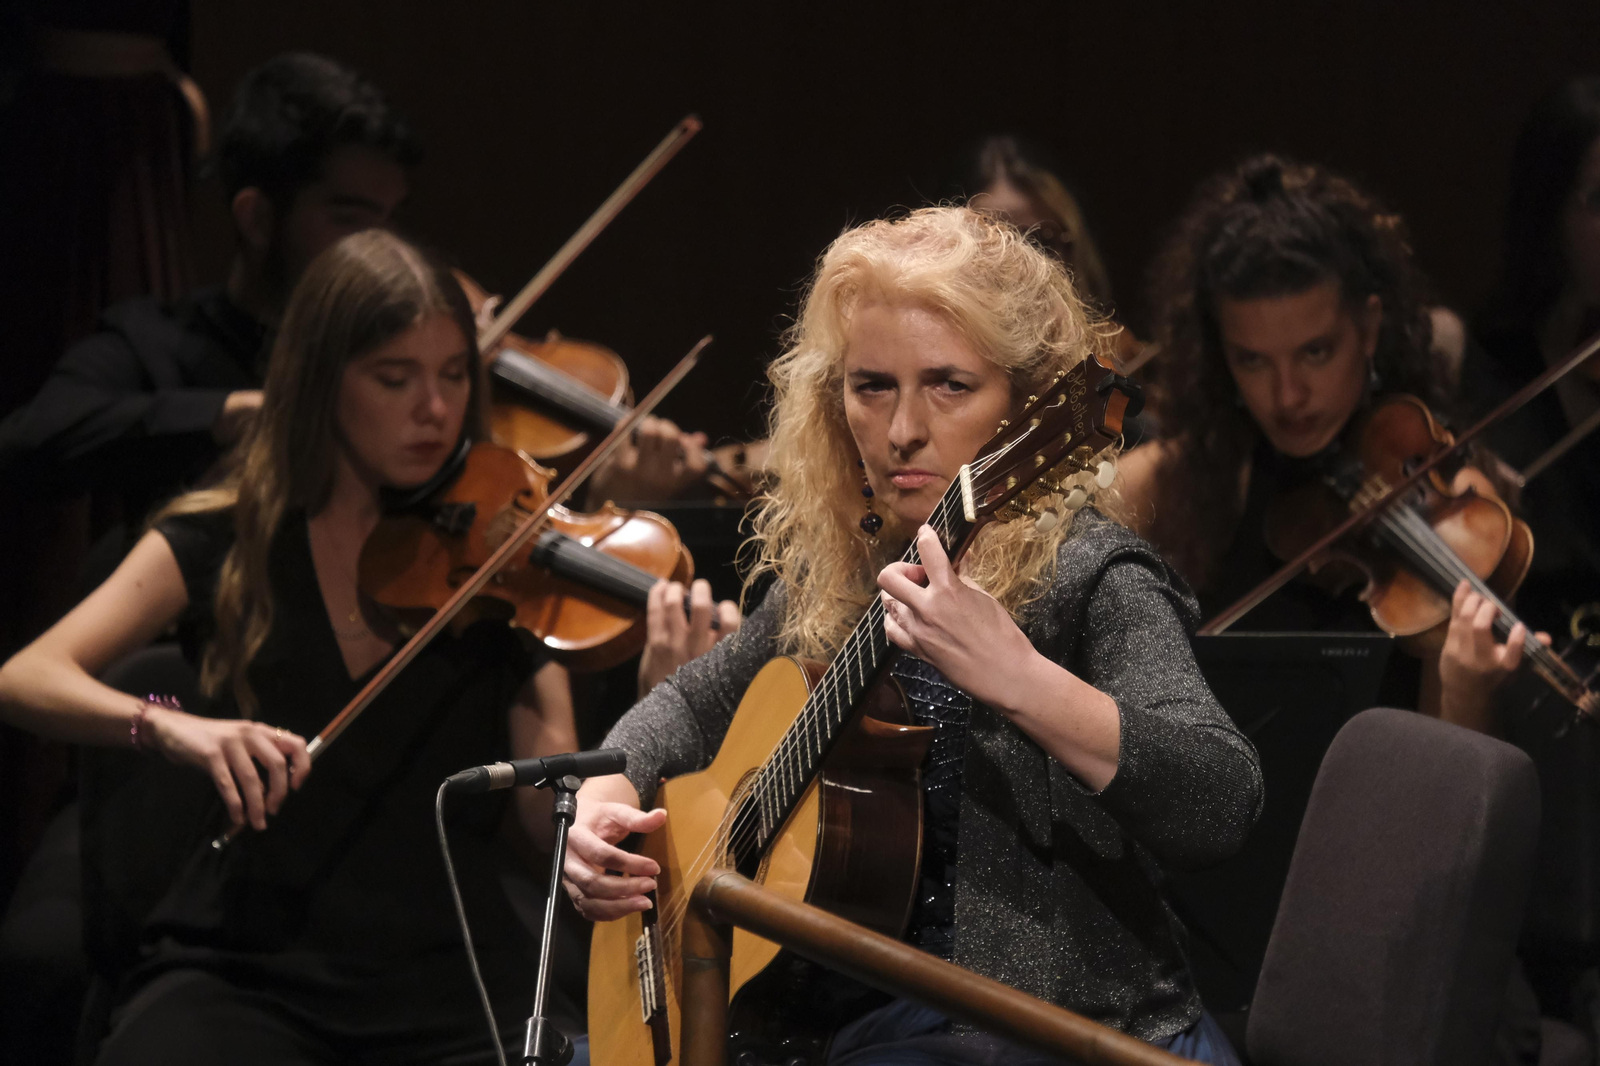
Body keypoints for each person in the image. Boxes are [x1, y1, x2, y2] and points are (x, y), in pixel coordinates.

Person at [564, 206, 1261, 1064]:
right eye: (872, 387)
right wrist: (607, 796)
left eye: (949, 385)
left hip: (1051, 1030)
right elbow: (684, 701)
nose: (901, 431)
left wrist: (1020, 678)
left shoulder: (1093, 578)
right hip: (834, 1018)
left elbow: (1220, 799)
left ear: (1028, 405)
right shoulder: (846, 571)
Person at [0, 229, 582, 1064]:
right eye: (395, 377)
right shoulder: (227, 534)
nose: (436, 408)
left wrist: (660, 686)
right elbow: (26, 676)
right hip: (243, 973)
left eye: (455, 374)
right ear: (321, 381)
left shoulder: (498, 558)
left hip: (445, 980)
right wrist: (167, 725)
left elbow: (543, 820)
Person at [1120, 154, 1542, 735]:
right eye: (1253, 360)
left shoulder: (1456, 501)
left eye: (1316, 352)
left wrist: (1469, 690)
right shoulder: (1167, 485)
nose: (1288, 395)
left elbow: (1449, 791)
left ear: (1368, 329)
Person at [0, 52, 419, 557]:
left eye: (390, 220)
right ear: (258, 219)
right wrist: (230, 415)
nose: (382, 251)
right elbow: (28, 443)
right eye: (350, 219)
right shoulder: (156, 341)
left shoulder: (408, 352)